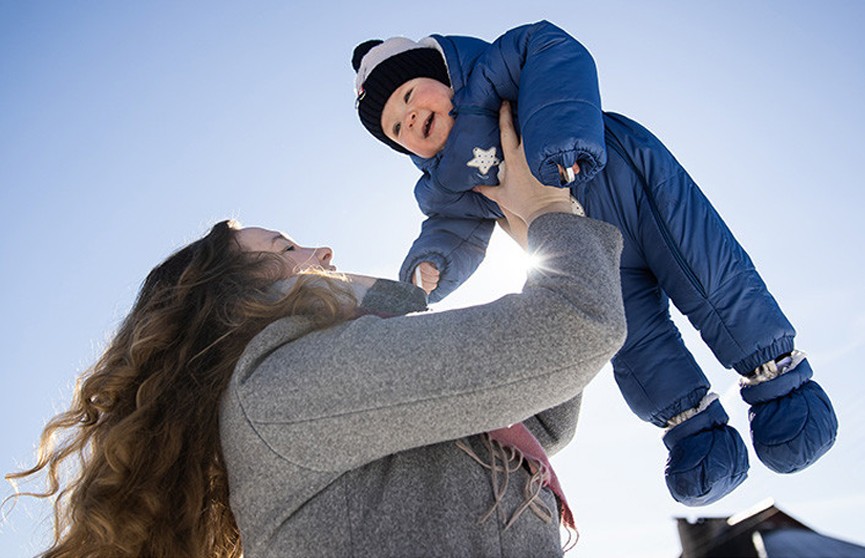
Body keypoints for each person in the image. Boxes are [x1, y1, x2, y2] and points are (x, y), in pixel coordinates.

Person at [5, 102, 627, 558]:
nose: (324, 249)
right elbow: (574, 329)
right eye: (286, 246)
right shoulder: (283, 387)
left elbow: (542, 413)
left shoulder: (319, 370)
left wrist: (540, 239)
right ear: (236, 296)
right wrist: (551, 215)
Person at [351, 19, 838, 506]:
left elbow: (552, 47)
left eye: (411, 94)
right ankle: (694, 430)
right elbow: (449, 230)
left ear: (445, 72)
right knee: (628, 333)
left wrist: (558, 135)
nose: (410, 118)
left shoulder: (493, 75)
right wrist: (429, 267)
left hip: (634, 185)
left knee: (708, 276)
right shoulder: (446, 186)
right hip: (582, 244)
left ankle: (782, 385)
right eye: (396, 127)